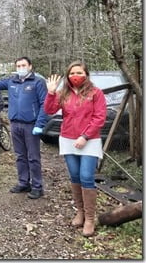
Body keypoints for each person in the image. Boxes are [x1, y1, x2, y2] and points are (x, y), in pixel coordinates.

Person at [44, 61, 106, 237]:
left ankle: (90, 218)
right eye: (72, 73)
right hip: (68, 140)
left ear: (86, 74)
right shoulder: (63, 93)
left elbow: (99, 117)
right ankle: (80, 211)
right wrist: (50, 92)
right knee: (75, 176)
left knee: (87, 177)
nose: (75, 76)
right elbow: (49, 109)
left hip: (89, 141)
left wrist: (85, 136)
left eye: (79, 72)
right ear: (68, 76)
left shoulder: (95, 93)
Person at [0, 55, 48, 199]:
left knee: (33, 157)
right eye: (18, 66)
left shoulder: (37, 82)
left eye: (23, 65)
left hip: (31, 125)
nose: (21, 68)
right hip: (15, 124)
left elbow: (45, 104)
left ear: (30, 66)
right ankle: (23, 182)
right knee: (20, 156)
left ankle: (37, 186)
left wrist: (40, 124)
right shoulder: (11, 81)